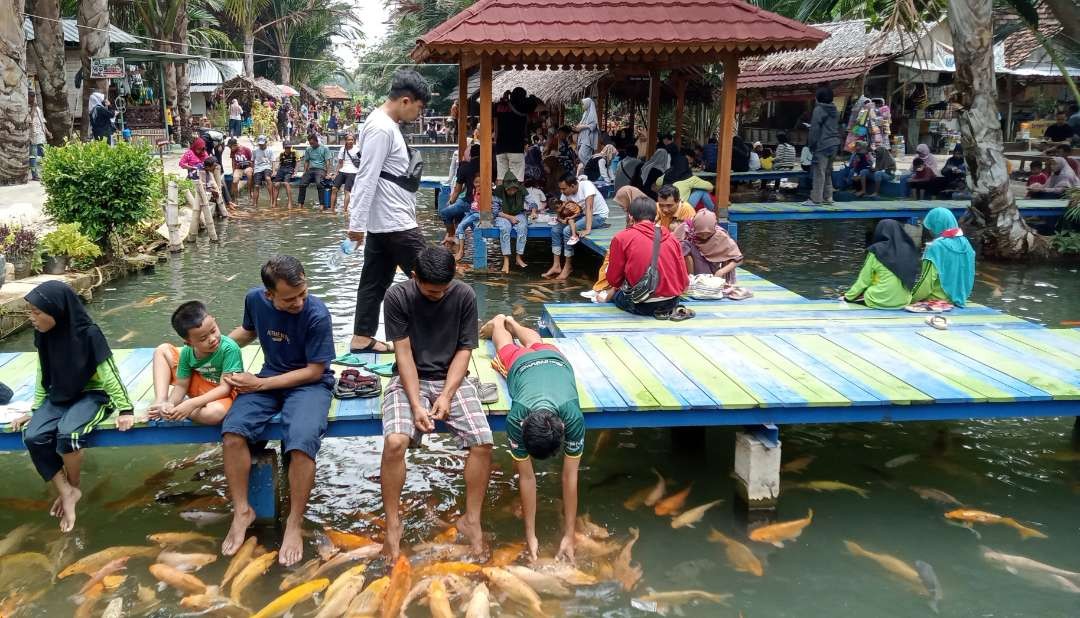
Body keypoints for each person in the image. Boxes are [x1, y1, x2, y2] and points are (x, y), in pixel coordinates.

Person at [220, 256, 335, 566]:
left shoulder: (317, 315)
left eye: (303, 293)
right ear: (269, 294)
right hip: (269, 376)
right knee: (232, 432)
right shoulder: (255, 300)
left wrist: (258, 385)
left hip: (310, 385)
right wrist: (214, 351)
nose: (298, 302)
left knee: (300, 443)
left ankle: (294, 523)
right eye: (289, 299)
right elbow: (247, 332)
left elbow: (314, 371)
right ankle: (242, 509)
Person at [379, 246, 491, 560]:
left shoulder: (464, 295)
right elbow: (403, 354)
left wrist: (446, 395)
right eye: (431, 291)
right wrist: (416, 404)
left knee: (482, 442)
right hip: (409, 376)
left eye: (444, 290)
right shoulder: (397, 297)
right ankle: (392, 523)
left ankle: (472, 520)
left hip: (451, 378)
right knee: (396, 442)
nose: (438, 295)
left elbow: (465, 351)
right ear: (414, 277)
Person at [11, 281, 134, 532]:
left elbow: (109, 373)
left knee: (69, 434)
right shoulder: (43, 334)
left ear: (57, 311)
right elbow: (41, 372)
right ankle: (66, 491)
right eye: (30, 312)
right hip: (59, 394)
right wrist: (35, 410)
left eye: (37, 312)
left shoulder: (89, 333)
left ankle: (74, 488)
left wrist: (126, 409)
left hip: (93, 394)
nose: (31, 318)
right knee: (33, 436)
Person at [481, 314, 583, 562]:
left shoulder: (573, 418)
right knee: (517, 344)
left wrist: (570, 534)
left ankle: (507, 324)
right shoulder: (517, 417)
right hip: (533, 361)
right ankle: (504, 323)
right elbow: (527, 478)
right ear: (524, 424)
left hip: (556, 362)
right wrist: (531, 534)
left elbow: (568, 476)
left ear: (562, 429)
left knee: (516, 347)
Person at [348, 69, 431, 354]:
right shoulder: (382, 128)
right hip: (396, 223)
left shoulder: (385, 125)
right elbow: (366, 176)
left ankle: (362, 337)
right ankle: (437, 339)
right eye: (419, 108)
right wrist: (356, 224)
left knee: (374, 280)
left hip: (384, 222)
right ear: (406, 100)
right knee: (432, 278)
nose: (418, 115)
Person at [149, 301, 243, 425]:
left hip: (223, 392)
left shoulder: (229, 348)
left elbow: (225, 388)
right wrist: (170, 404)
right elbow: (181, 385)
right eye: (203, 338)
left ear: (213, 320)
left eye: (213, 330)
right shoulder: (187, 352)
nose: (212, 339)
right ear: (189, 342)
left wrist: (190, 404)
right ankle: (161, 402)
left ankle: (183, 409)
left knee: (214, 414)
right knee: (162, 349)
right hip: (199, 386)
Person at [606, 196, 689, 316]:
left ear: (630, 216)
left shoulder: (621, 238)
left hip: (642, 305)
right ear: (655, 217)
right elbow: (683, 278)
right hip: (672, 302)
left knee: (616, 293)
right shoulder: (672, 238)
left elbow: (614, 279)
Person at [544, 173, 608, 281]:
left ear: (573, 186)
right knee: (555, 230)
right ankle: (556, 265)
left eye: (564, 189)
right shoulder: (565, 194)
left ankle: (568, 267)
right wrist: (561, 219)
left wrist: (588, 229)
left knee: (567, 231)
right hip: (580, 215)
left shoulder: (586, 186)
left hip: (597, 216)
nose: (562, 192)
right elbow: (562, 211)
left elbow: (589, 208)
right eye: (561, 189)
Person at [843, 219, 919, 309]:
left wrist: (847, 297)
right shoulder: (910, 249)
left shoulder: (876, 250)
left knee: (868, 290)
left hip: (878, 301)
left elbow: (864, 280)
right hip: (903, 301)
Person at [911, 208, 975, 307]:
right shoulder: (966, 244)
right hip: (959, 300)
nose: (931, 231)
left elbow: (926, 283)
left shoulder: (936, 247)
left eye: (931, 227)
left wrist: (910, 298)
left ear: (938, 225)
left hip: (935, 302)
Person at [676, 209, 742, 282]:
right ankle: (689, 281)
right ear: (694, 228)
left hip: (712, 272)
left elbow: (738, 259)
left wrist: (722, 271)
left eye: (708, 234)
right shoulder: (686, 230)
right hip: (690, 272)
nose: (704, 237)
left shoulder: (720, 236)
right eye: (700, 233)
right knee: (684, 246)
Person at [804, 86, 840, 206]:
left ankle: (816, 199)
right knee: (828, 171)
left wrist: (811, 145)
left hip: (823, 144)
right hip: (835, 143)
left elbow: (814, 129)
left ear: (819, 97)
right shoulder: (835, 109)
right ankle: (828, 197)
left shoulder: (819, 109)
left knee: (819, 172)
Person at [440, 143, 481, 246]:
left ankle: (451, 235)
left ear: (470, 155)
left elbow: (457, 190)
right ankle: (455, 234)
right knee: (458, 209)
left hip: (469, 202)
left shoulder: (464, 167)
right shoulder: (488, 165)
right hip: (484, 204)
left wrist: (450, 202)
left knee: (445, 213)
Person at [454, 176, 500, 260]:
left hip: (479, 214)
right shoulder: (474, 190)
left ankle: (461, 252)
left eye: (480, 183)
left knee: (463, 227)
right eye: (476, 182)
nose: (478, 185)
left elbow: (493, 211)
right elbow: (473, 205)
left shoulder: (489, 194)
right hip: (472, 213)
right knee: (459, 229)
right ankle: (458, 252)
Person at [494, 171, 529, 274]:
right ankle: (506, 260)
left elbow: (532, 202)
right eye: (510, 189)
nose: (513, 191)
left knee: (522, 226)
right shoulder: (498, 192)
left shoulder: (521, 189)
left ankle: (518, 257)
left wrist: (534, 211)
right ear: (505, 188)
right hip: (502, 215)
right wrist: (510, 217)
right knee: (505, 228)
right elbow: (495, 211)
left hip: (518, 213)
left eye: (514, 189)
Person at [495, 87, 533, 182]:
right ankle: (516, 197)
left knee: (501, 178)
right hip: (516, 148)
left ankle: (500, 197)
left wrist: (506, 98)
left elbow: (496, 126)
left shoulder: (498, 106)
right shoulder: (523, 106)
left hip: (500, 147)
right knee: (517, 179)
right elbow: (538, 104)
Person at [297, 134, 331, 208]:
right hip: (311, 170)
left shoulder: (324, 148)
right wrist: (304, 172)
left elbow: (327, 162)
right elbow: (306, 161)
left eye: (312, 143)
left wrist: (328, 173)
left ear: (316, 141)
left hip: (321, 169)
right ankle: (300, 204)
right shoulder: (308, 149)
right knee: (302, 184)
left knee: (319, 184)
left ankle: (322, 205)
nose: (311, 145)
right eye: (310, 143)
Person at [331, 134, 361, 211]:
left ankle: (345, 210)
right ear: (346, 141)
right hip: (343, 170)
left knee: (347, 191)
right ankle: (332, 209)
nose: (350, 141)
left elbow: (363, 161)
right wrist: (336, 173)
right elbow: (340, 163)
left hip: (353, 171)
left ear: (354, 141)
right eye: (349, 140)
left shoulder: (357, 150)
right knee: (334, 188)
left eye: (352, 140)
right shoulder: (342, 149)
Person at [28, 91, 51, 181]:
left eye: (34, 96)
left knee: (45, 154)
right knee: (33, 156)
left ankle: (47, 172)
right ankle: (35, 175)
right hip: (33, 135)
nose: (33, 98)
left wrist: (47, 132)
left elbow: (42, 121)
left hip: (41, 134)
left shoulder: (38, 108)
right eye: (31, 96)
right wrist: (33, 108)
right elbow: (29, 119)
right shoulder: (26, 108)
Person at [272, 141, 298, 207]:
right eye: (286, 147)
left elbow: (297, 162)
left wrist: (295, 171)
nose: (288, 149)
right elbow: (279, 163)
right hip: (282, 169)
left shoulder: (294, 153)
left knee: (286, 183)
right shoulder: (281, 154)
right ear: (284, 147)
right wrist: (275, 171)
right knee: (276, 184)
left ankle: (290, 202)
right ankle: (274, 202)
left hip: (290, 169)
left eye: (289, 147)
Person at [227, 138, 254, 202]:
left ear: (235, 145)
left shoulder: (246, 149)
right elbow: (233, 161)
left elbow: (252, 160)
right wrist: (233, 171)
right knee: (235, 181)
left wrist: (252, 168)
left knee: (250, 175)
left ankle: (250, 193)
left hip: (247, 167)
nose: (230, 148)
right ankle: (236, 198)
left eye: (231, 147)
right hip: (238, 168)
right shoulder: (233, 151)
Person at [575, 97, 600, 164]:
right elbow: (581, 123)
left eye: (583, 104)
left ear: (587, 104)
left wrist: (582, 126)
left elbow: (593, 125)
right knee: (583, 155)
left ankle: (589, 167)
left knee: (582, 154)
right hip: (583, 136)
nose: (582, 106)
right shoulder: (585, 114)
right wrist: (578, 126)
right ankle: (587, 168)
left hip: (588, 137)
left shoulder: (592, 114)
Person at [251, 135, 274, 206]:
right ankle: (255, 203)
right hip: (258, 169)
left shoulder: (270, 150)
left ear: (266, 142)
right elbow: (252, 161)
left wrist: (273, 170)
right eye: (260, 144)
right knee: (256, 186)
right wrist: (253, 169)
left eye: (262, 144)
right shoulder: (255, 151)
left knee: (268, 178)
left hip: (267, 167)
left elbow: (272, 161)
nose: (261, 145)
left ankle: (271, 199)